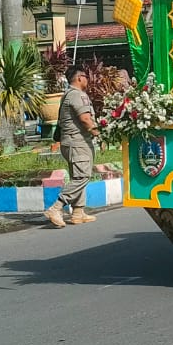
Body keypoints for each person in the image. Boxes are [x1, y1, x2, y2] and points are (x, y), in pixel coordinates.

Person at [47, 65, 101, 227]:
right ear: (79, 78)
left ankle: (78, 212)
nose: (87, 79)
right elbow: (85, 119)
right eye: (85, 76)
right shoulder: (77, 95)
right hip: (77, 142)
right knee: (82, 177)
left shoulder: (68, 94)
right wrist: (98, 133)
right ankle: (56, 207)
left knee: (78, 176)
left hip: (72, 142)